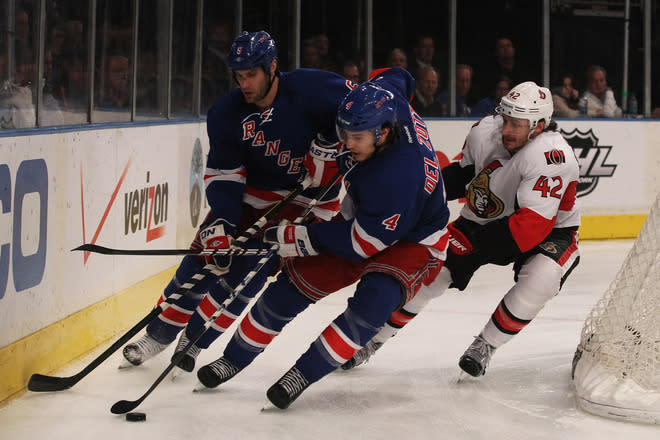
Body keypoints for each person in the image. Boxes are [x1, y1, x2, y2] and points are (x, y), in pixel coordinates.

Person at [192, 67, 450, 410]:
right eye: (345, 133)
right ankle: (234, 359)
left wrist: (304, 236)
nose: (348, 143)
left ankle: (301, 373)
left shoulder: (398, 177)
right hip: (364, 216)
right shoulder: (382, 100)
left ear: (384, 133)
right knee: (289, 288)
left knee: (370, 306)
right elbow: (398, 75)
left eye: (357, 137)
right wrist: (326, 148)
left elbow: (364, 244)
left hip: (413, 241)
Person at [121, 30, 356, 371]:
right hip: (250, 195)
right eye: (239, 76)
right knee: (203, 257)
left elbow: (364, 103)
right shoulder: (227, 113)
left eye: (252, 75)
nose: (245, 84)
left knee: (250, 272)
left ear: (272, 67)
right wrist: (222, 224)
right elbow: (224, 174)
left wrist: (335, 142)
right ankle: (158, 334)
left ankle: (195, 340)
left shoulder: (313, 88)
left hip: (305, 202)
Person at [342, 81, 581, 380]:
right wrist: (414, 197)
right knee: (430, 276)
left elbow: (529, 229)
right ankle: (372, 340)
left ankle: (486, 345)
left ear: (539, 126)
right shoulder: (486, 131)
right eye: (505, 120)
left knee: (542, 279)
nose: (506, 130)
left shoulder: (552, 156)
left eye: (517, 125)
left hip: (549, 232)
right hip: (480, 221)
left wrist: (474, 248)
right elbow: (459, 176)